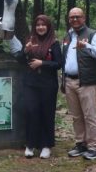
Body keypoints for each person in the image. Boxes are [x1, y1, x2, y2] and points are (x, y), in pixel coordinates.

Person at [9, 14, 61, 159]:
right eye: (38, 25)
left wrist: (42, 63)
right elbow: (20, 60)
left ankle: (46, 145)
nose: (40, 27)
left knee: (46, 113)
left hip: (48, 84)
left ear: (48, 27)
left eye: (43, 25)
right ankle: (30, 144)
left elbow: (58, 63)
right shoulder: (30, 41)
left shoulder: (54, 43)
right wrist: (25, 50)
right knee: (31, 111)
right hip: (31, 83)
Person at [61, 7, 96, 160]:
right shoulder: (67, 36)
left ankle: (94, 147)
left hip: (85, 81)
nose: (74, 19)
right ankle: (81, 143)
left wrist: (86, 46)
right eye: (72, 17)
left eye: (77, 16)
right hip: (69, 81)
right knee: (76, 116)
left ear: (84, 18)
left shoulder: (92, 34)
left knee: (89, 115)